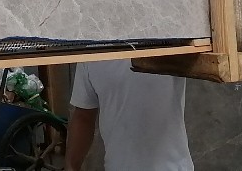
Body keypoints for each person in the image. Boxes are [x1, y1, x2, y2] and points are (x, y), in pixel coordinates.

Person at [65, 59, 193, 171]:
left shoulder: (170, 42)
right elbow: (83, 116)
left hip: (171, 167)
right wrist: (71, 166)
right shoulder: (91, 52)